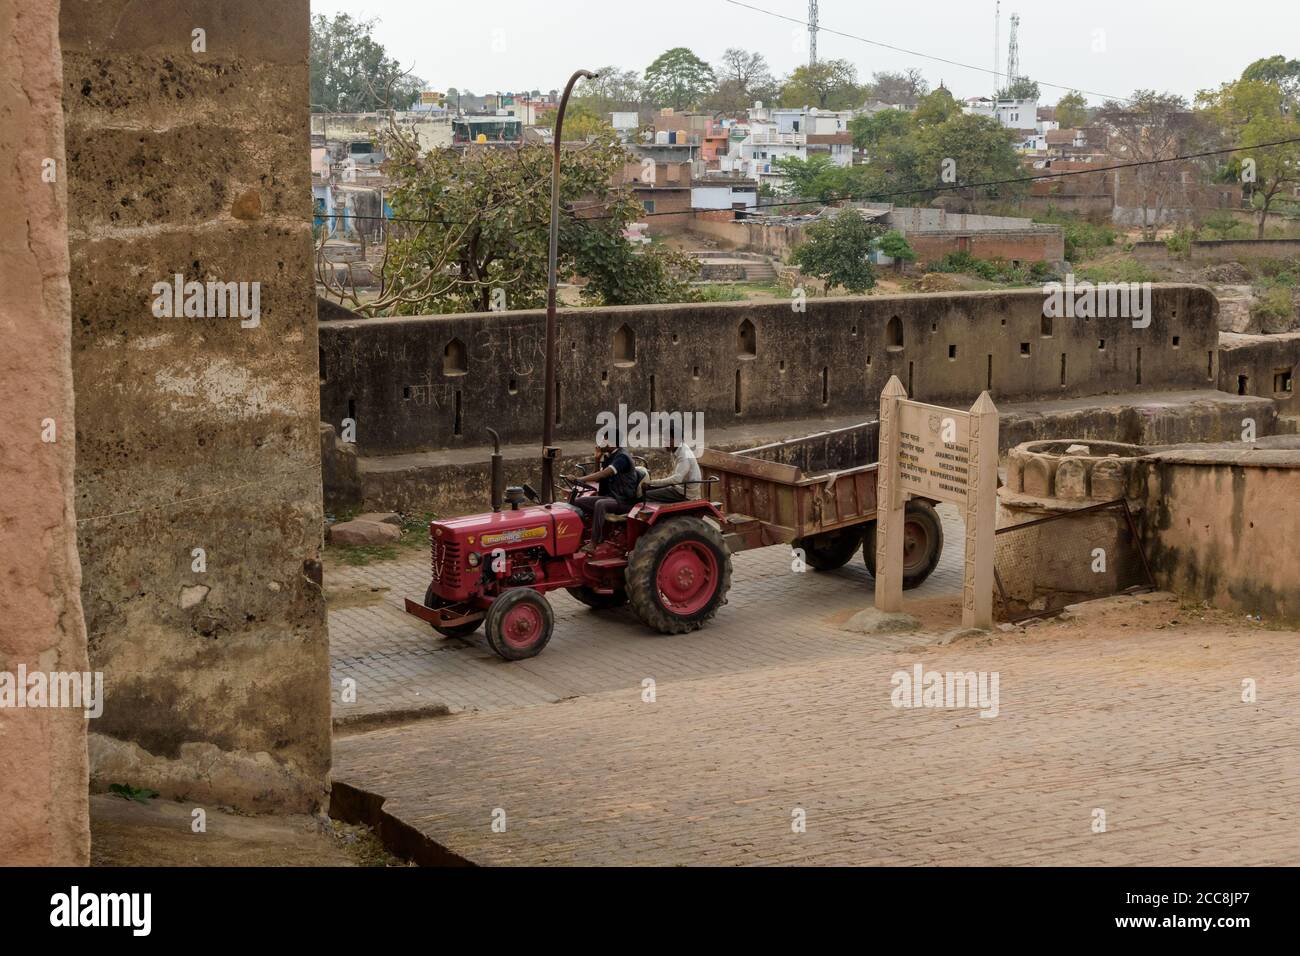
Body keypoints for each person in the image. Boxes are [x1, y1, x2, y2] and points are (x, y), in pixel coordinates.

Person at [572, 430, 640, 547]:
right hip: (611, 497)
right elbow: (598, 478)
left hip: (623, 499)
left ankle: (594, 541)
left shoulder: (622, 458)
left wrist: (579, 479)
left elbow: (603, 474)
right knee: (577, 502)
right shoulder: (610, 456)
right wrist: (597, 459)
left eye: (605, 439)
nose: (602, 442)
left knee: (601, 504)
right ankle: (580, 536)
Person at [644, 421, 702, 503]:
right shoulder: (677, 450)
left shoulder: (684, 454)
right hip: (680, 487)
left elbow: (676, 479)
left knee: (647, 495)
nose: (665, 444)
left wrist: (652, 482)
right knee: (649, 488)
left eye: (667, 440)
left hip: (685, 492)